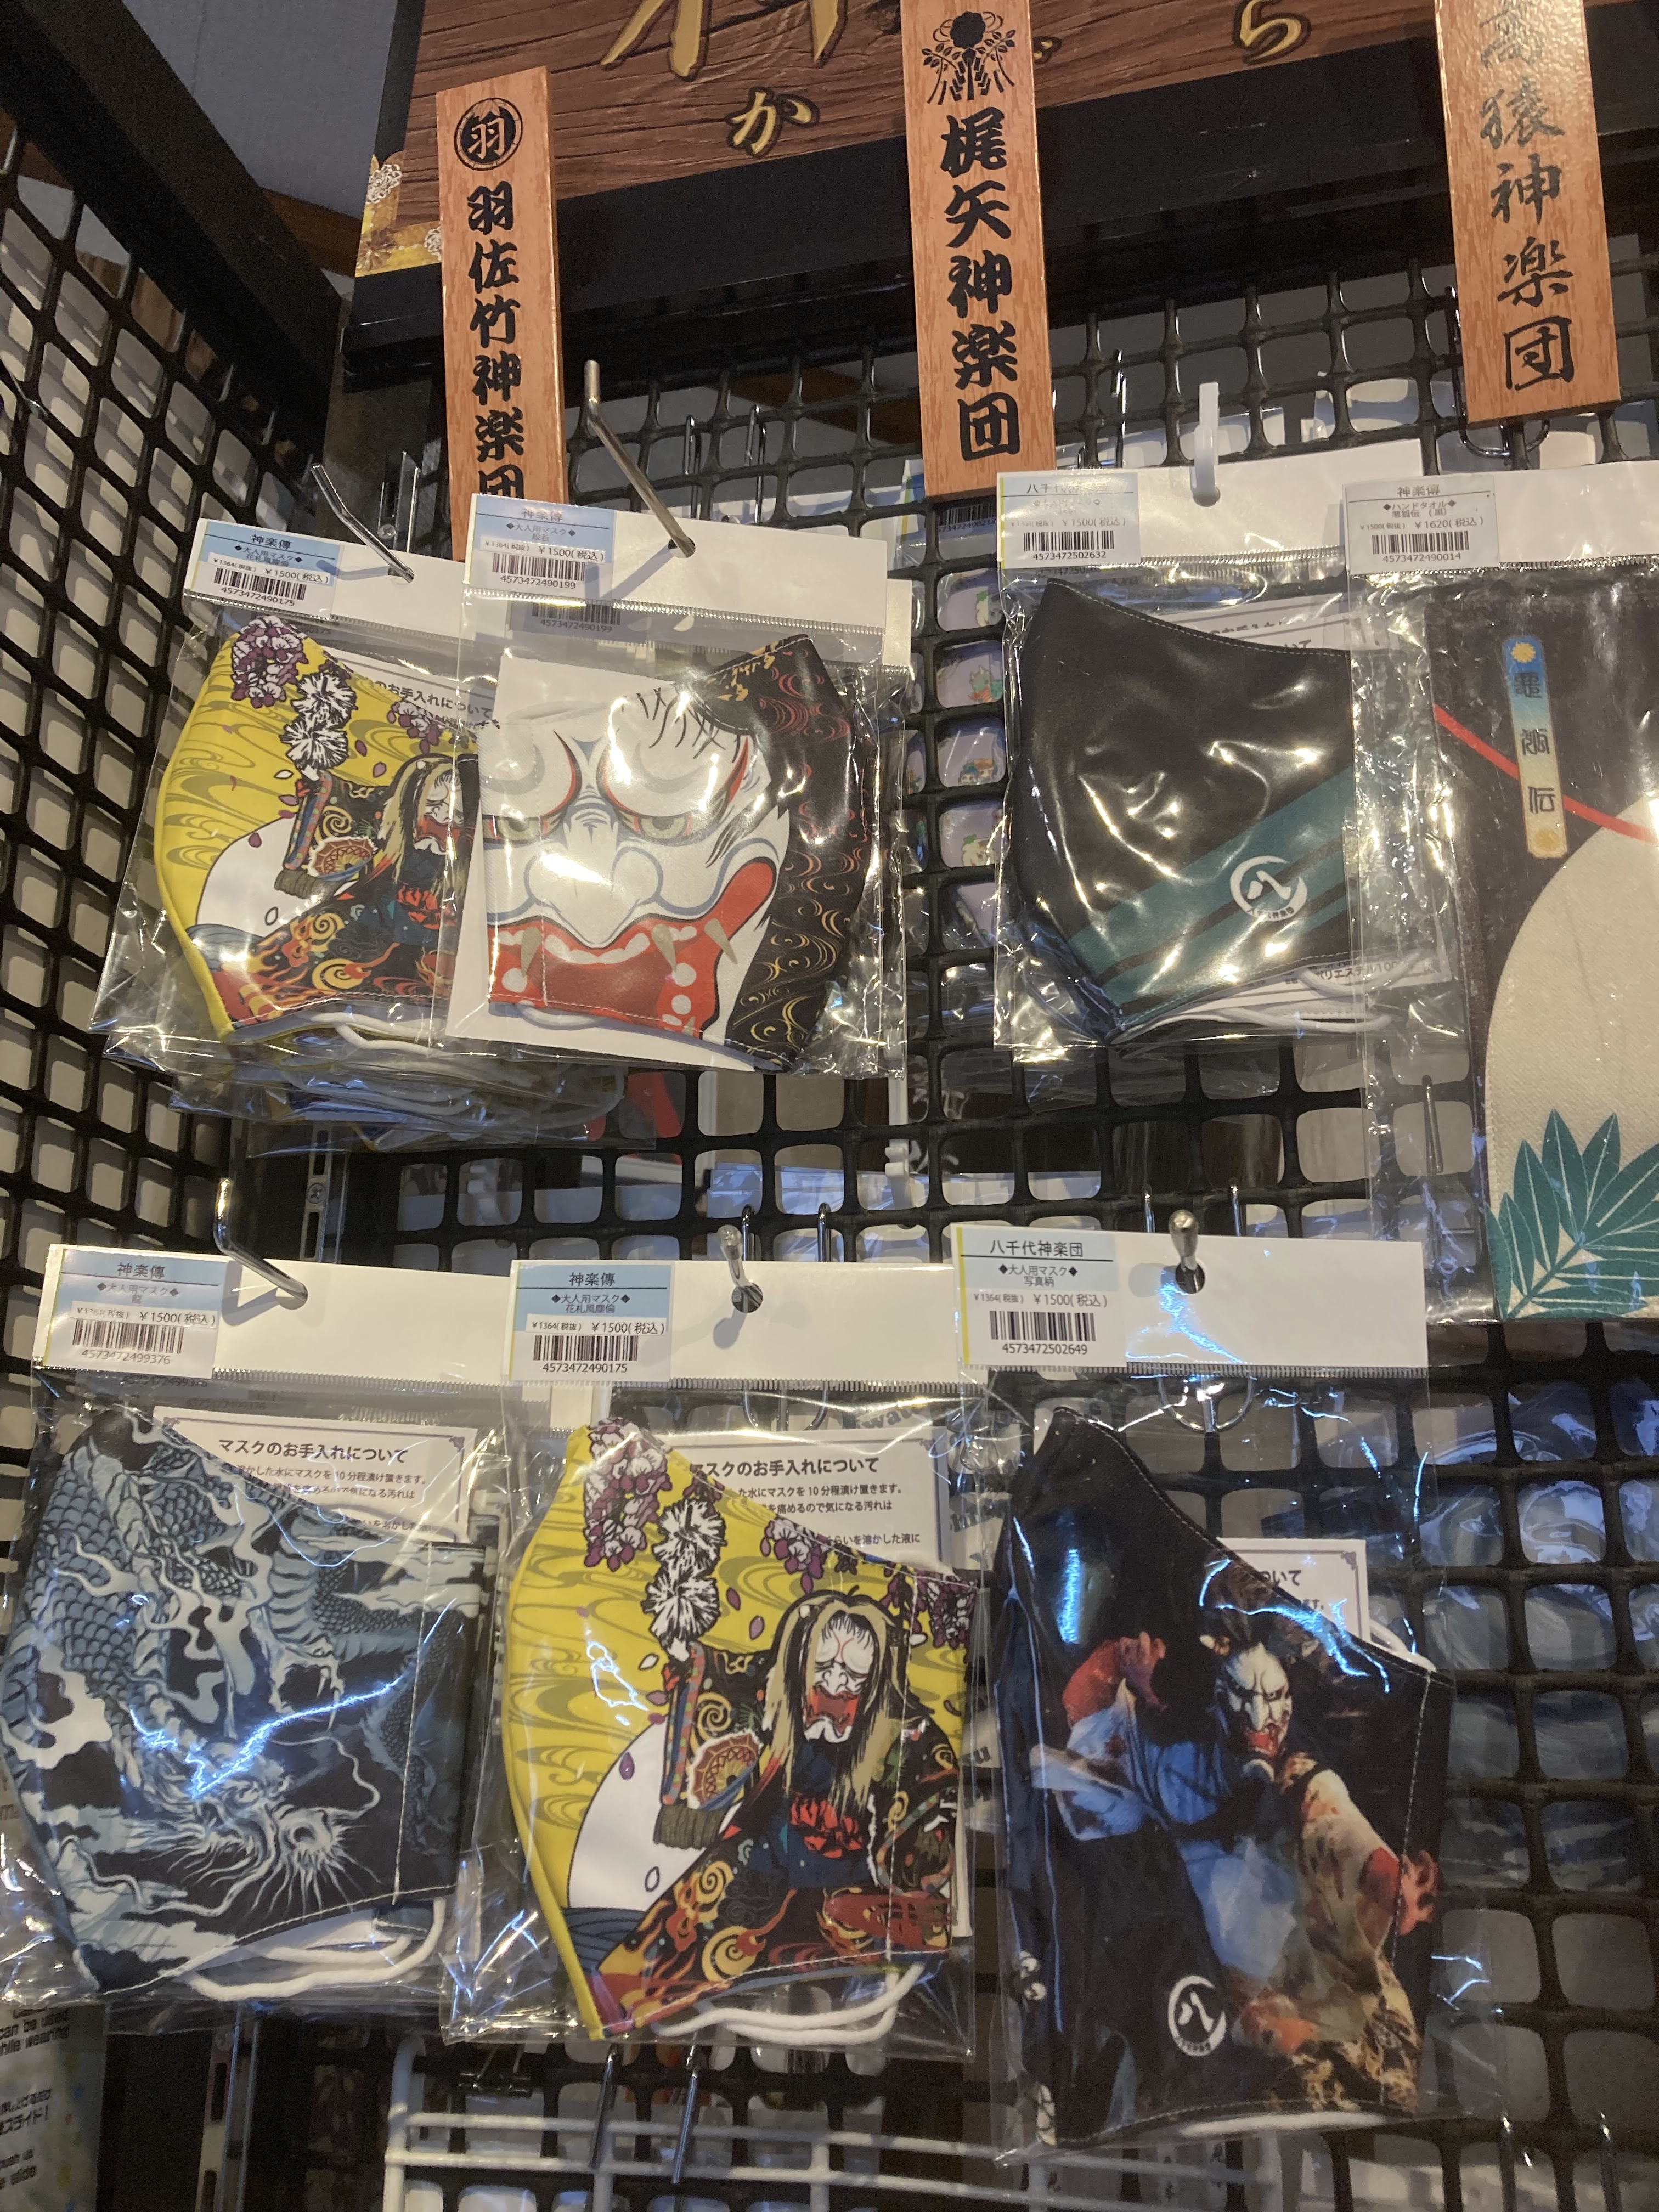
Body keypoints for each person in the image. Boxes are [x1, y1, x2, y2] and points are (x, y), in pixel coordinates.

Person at [1031, 1602, 1439, 2111]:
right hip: (1228, 2001)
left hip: (1322, 1984)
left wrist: (1388, 1882)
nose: (1260, 1727)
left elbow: (1338, 1830)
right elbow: (1087, 1721)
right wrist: (1122, 1664)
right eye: (1245, 1705)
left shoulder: (1299, 1779)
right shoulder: (1172, 1757)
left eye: (1271, 1705)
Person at [592, 1590, 957, 2029]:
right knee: (657, 1965)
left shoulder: (903, 1731)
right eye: (823, 1666)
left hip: (846, 1898)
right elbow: (731, 1675)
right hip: (755, 1870)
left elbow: (928, 1785)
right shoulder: (777, 1690)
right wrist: (684, 1648)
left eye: (853, 1673)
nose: (835, 1682)